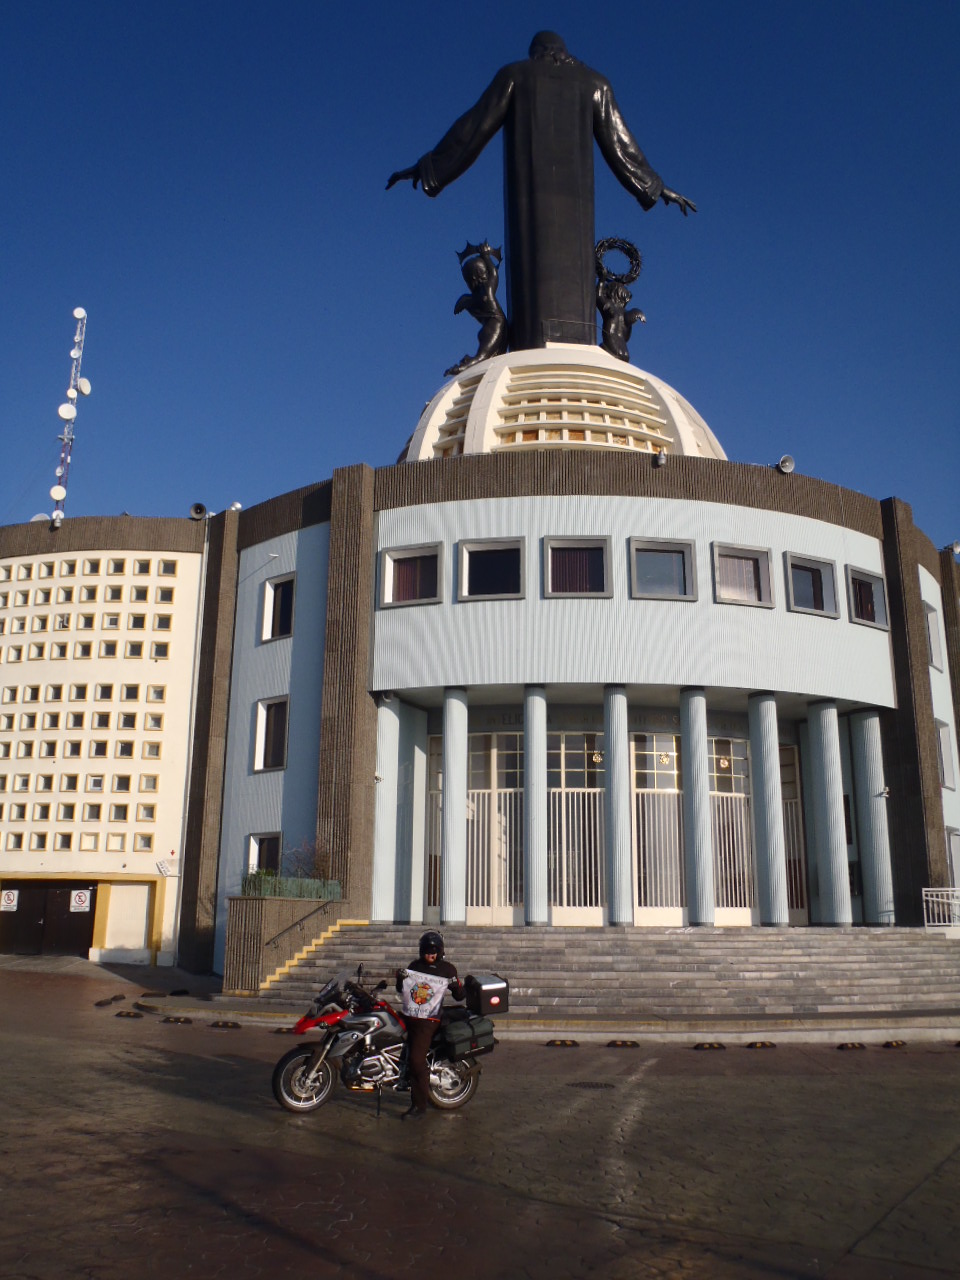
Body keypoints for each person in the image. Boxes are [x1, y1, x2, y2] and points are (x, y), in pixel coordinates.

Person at [388, 31, 695, 350]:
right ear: (562, 51)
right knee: (558, 272)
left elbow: (473, 127)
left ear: (537, 52)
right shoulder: (594, 83)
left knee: (533, 270)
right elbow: (622, 145)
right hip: (573, 213)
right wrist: (655, 185)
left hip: (532, 209)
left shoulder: (516, 74)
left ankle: (541, 335)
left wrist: (430, 167)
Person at [396, 930, 464, 1119]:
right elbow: (402, 989)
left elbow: (459, 995)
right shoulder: (414, 966)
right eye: (426, 951)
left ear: (440, 951)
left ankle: (419, 1106)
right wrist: (400, 978)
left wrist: (456, 984)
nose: (430, 954)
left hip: (428, 1021)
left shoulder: (447, 969)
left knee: (417, 1061)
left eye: (433, 951)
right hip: (410, 1016)